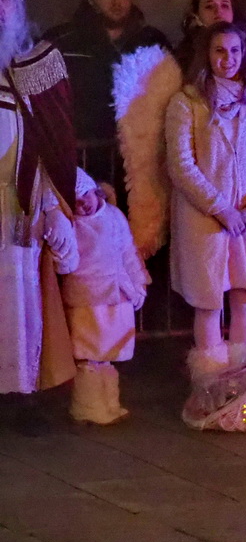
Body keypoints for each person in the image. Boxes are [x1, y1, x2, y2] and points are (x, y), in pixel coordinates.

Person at [164, 22, 246, 382]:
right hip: (204, 220)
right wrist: (220, 208)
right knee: (208, 301)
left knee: (244, 297)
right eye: (220, 51)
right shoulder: (186, 102)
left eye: (235, 51)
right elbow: (181, 164)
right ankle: (209, 382)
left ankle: (241, 378)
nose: (228, 59)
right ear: (207, 54)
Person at [0, 0, 83, 435]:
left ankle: (20, 395)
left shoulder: (38, 68)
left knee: (19, 302)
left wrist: (62, 206)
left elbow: (55, 147)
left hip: (16, 208)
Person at [46, 0, 170, 145]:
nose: (117, 2)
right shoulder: (61, 42)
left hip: (141, 157)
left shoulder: (152, 41)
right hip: (80, 155)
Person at [62, 176, 147, 424]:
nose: (82, 206)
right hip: (87, 298)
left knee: (109, 352)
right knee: (89, 353)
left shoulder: (114, 216)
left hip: (117, 295)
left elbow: (127, 252)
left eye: (85, 197)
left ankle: (109, 402)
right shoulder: (71, 225)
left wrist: (137, 282)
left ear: (95, 192)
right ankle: (87, 406)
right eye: (75, 202)